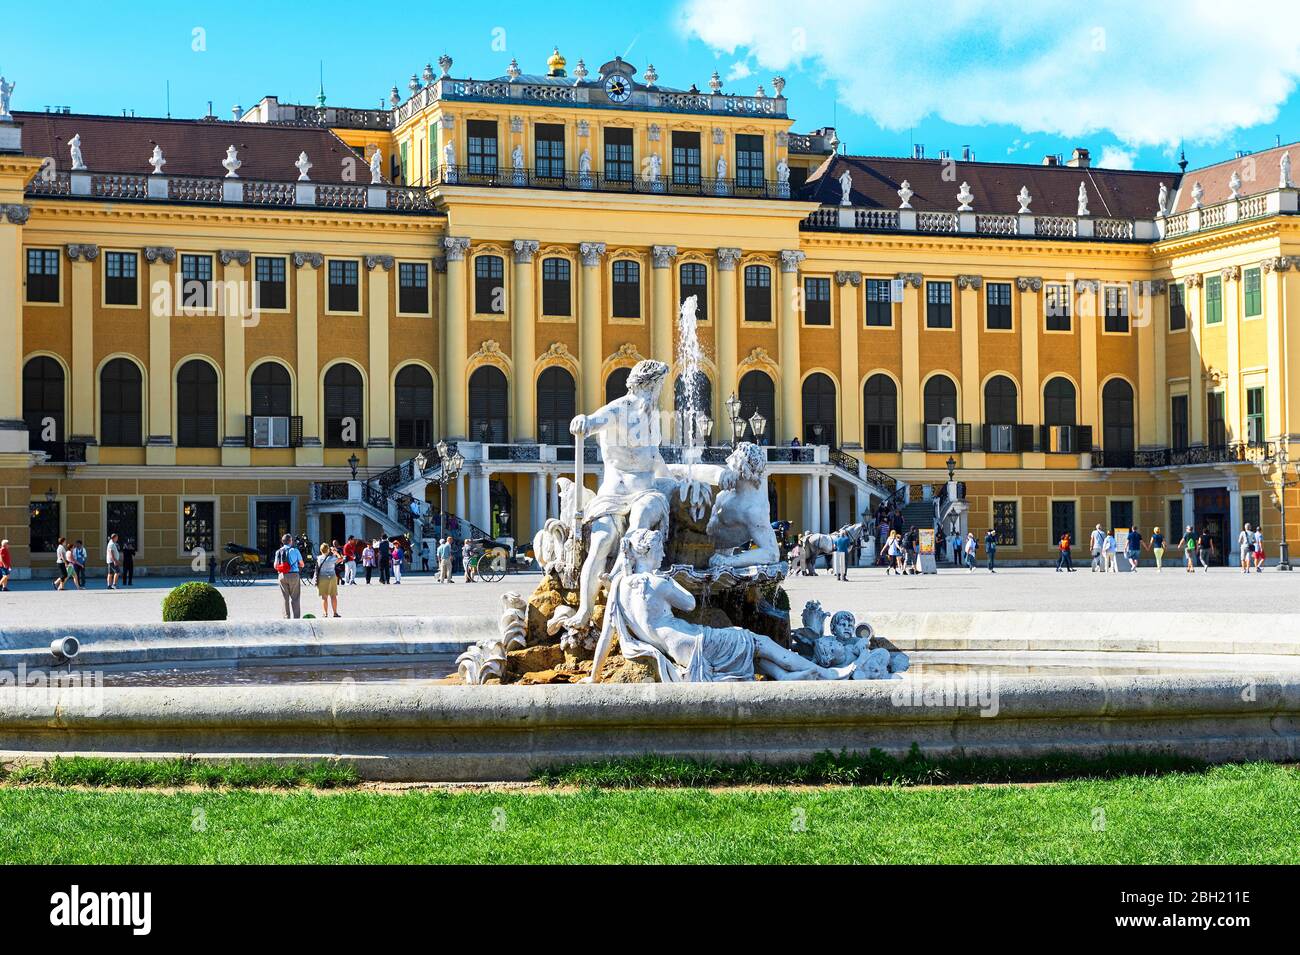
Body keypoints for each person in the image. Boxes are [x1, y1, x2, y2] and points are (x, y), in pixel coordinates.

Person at [274, 533, 305, 618]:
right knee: (295, 597)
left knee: (285, 597)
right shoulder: (295, 550)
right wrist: (297, 565)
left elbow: (275, 566)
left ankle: (286, 617)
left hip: (282, 575)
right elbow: (302, 564)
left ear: (282, 542)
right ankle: (296, 617)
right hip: (294, 575)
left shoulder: (278, 551)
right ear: (290, 541)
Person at [315, 542, 340, 617]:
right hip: (332, 577)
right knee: (333, 596)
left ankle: (325, 613)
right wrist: (335, 552)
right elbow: (341, 559)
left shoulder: (318, 558)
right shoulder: (332, 558)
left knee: (324, 597)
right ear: (328, 550)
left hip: (322, 578)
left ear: (321, 550)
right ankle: (335, 612)